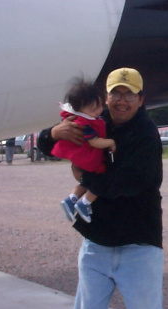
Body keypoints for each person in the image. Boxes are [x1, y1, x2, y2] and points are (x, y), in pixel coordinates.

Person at [38, 67, 164, 309]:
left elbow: (130, 181)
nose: (121, 101)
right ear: (105, 98)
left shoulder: (146, 133)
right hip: (95, 244)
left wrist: (85, 179)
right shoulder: (93, 122)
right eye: (115, 94)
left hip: (138, 246)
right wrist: (52, 134)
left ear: (141, 100)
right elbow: (49, 145)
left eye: (129, 95)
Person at [52, 78, 116, 223]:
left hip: (81, 158)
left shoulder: (81, 117)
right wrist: (111, 142)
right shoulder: (84, 123)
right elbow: (94, 142)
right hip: (88, 158)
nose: (99, 110)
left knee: (87, 181)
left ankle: (71, 200)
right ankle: (84, 203)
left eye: (100, 105)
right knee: (101, 181)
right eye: (94, 109)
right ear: (79, 109)